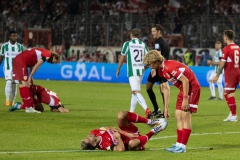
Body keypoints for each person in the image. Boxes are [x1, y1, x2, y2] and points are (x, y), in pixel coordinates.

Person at [143, 50, 201, 153]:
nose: (149, 66)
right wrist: (165, 108)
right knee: (178, 115)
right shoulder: (161, 70)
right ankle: (178, 144)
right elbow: (165, 88)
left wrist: (185, 99)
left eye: (150, 64)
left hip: (192, 88)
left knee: (185, 116)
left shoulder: (169, 67)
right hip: (184, 89)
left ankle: (182, 147)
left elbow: (185, 80)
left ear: (156, 62)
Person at [81, 111, 168, 151]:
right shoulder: (105, 146)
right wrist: (119, 138)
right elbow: (120, 149)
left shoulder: (94, 132)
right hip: (129, 141)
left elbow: (109, 127)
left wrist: (124, 133)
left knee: (121, 115)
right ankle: (154, 131)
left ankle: (149, 121)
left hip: (126, 131)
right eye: (88, 139)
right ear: (94, 144)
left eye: (86, 137)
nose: (88, 136)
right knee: (132, 144)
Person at [12, 47, 61, 113]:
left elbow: (33, 64)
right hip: (21, 61)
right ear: (54, 57)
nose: (52, 63)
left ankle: (26, 107)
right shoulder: (48, 54)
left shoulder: (43, 52)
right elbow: (37, 65)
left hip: (20, 60)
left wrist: (31, 77)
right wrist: (30, 76)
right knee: (25, 84)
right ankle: (28, 108)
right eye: (55, 62)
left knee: (22, 84)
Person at [116, 28, 151, 118]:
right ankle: (131, 112)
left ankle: (146, 109)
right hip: (141, 71)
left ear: (131, 35)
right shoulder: (143, 45)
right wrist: (145, 67)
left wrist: (118, 69)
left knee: (136, 91)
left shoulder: (127, 44)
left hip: (133, 71)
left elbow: (122, 57)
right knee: (134, 92)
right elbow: (150, 58)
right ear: (139, 36)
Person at [210, 30, 240, 122]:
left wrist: (217, 75)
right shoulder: (238, 47)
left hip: (231, 74)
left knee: (227, 93)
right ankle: (232, 113)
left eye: (224, 37)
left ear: (226, 37)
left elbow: (222, 64)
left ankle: (234, 115)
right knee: (228, 92)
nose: (223, 38)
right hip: (237, 72)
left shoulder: (227, 49)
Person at [146, 24, 170, 118]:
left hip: (159, 68)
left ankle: (162, 111)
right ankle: (159, 110)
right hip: (164, 67)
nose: (152, 33)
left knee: (155, 88)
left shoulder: (157, 42)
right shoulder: (165, 42)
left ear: (159, 31)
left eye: (154, 31)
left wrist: (153, 68)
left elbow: (158, 57)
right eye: (152, 31)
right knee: (161, 89)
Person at [0, 30, 24, 106]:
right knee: (9, 81)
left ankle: (12, 101)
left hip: (16, 69)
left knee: (14, 84)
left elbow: (23, 59)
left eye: (16, 36)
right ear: (9, 37)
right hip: (7, 67)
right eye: (13, 36)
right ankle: (7, 100)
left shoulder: (20, 47)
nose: (14, 37)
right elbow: (1, 57)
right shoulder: (4, 46)